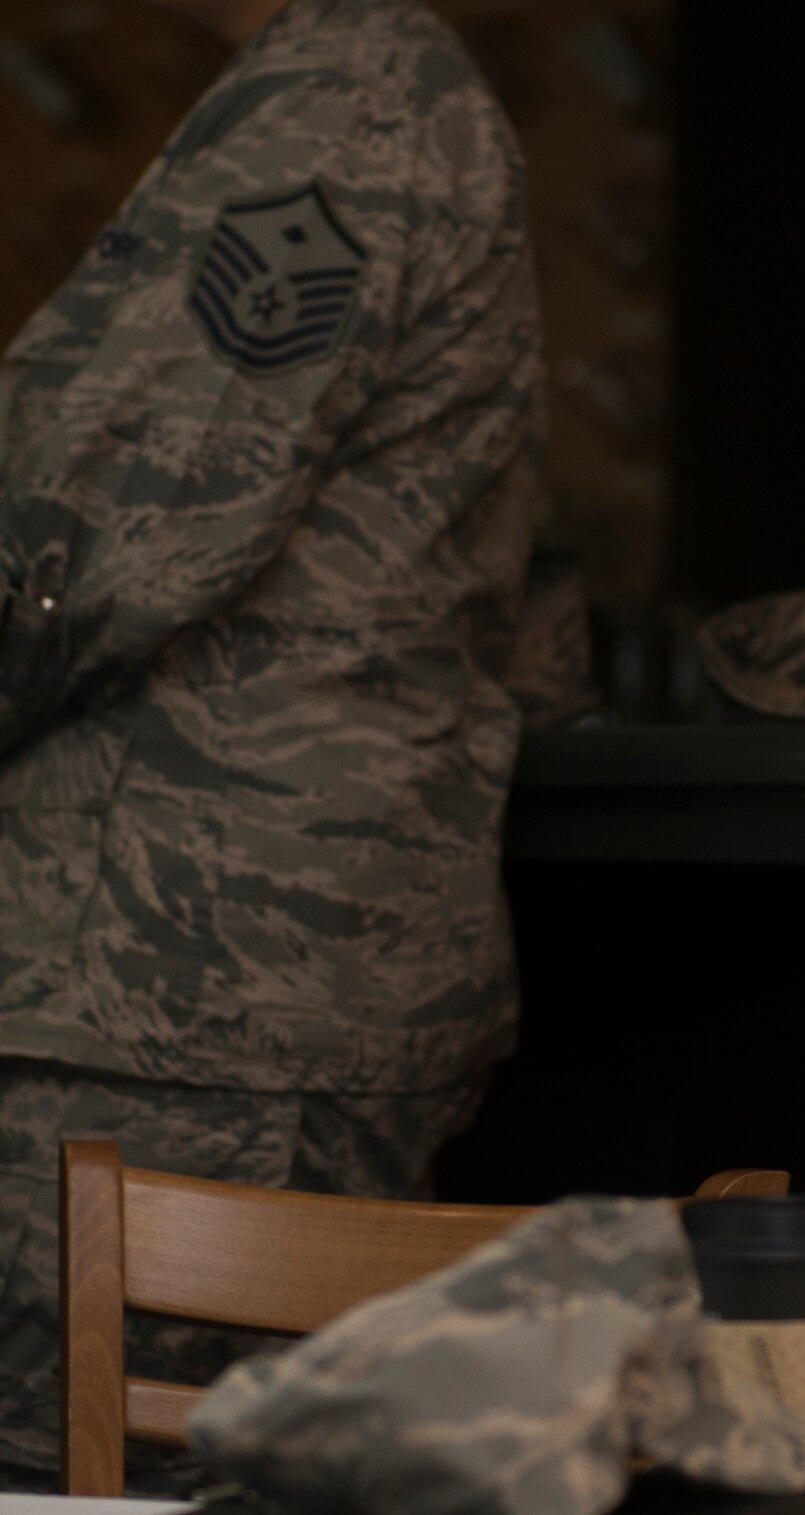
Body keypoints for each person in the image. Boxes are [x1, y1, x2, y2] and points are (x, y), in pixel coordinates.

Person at [0, 0, 558, 1488]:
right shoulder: (361, 88)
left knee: (74, 1479)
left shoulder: (344, 97)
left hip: (172, 1015)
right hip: (217, 1005)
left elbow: (85, 530)